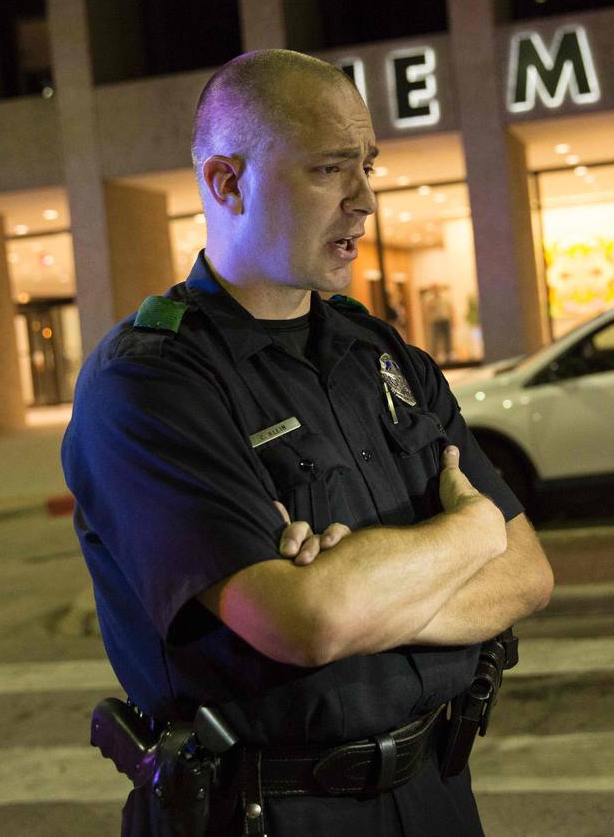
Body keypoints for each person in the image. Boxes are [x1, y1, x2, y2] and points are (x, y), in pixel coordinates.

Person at [62, 49, 554, 835]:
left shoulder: (383, 356)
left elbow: (527, 576)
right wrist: (469, 529)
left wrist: (361, 588)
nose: (365, 201)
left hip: (436, 791)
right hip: (265, 813)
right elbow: (307, 622)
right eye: (329, 170)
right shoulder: (150, 384)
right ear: (226, 183)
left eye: (367, 166)